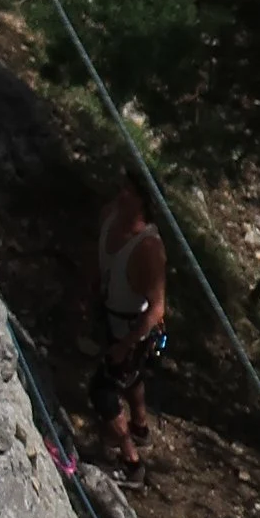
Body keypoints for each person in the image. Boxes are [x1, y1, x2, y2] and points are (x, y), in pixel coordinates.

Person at [89, 178, 168, 473]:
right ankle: (139, 426)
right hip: (113, 315)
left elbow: (157, 308)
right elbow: (102, 259)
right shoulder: (110, 216)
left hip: (135, 331)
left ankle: (130, 462)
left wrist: (126, 345)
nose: (121, 194)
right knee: (131, 378)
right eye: (122, 186)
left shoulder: (148, 248)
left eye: (130, 191)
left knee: (101, 391)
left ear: (144, 202)